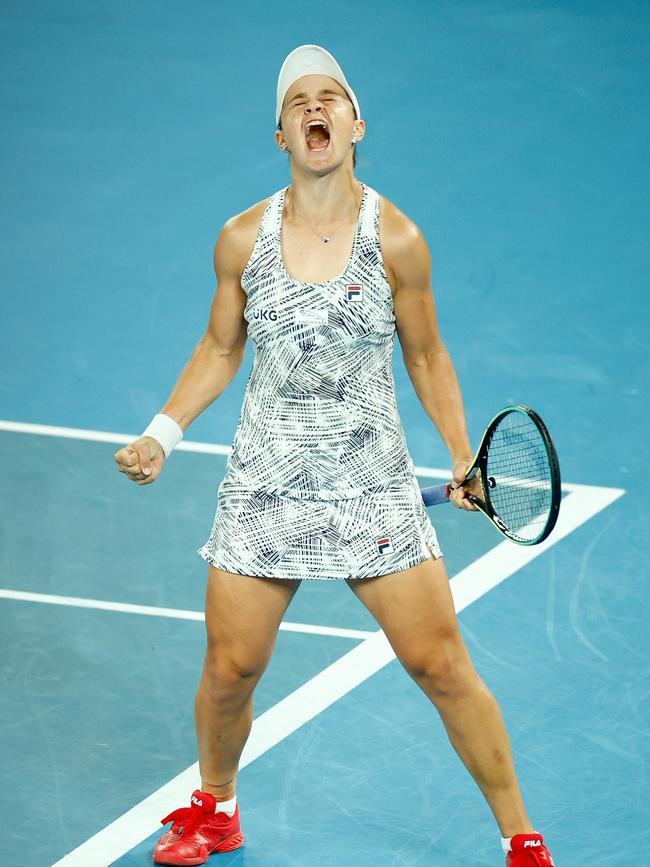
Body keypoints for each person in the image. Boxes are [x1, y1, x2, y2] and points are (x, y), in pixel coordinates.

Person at [114, 44, 556, 867]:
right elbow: (219, 347)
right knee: (231, 669)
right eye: (298, 103)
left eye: (331, 98)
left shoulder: (400, 240)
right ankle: (216, 808)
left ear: (356, 122)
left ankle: (522, 839)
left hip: (368, 484)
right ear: (281, 133)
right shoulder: (242, 237)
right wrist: (162, 432)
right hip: (264, 485)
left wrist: (462, 454)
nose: (315, 109)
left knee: (441, 664)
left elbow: (426, 356)